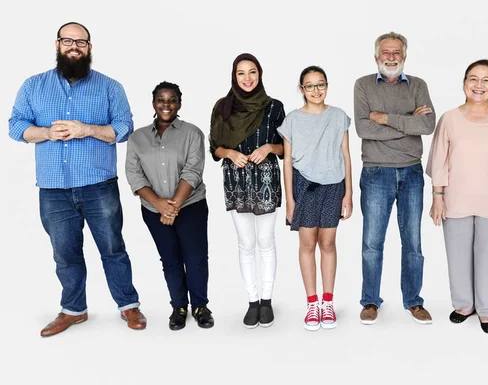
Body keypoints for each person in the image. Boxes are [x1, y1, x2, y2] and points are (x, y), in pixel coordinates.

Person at [8, 22, 145, 337]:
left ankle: (128, 305)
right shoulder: (33, 86)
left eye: (81, 42)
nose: (74, 46)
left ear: (90, 48)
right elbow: (16, 126)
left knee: (112, 248)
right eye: (68, 41)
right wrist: (44, 133)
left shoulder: (110, 87)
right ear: (57, 45)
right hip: (53, 189)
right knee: (65, 252)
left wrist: (88, 129)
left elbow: (123, 128)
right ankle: (74, 310)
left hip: (98, 185)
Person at [427, 59, 488, 334]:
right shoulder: (449, 119)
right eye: (473, 78)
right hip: (455, 200)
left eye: (486, 80)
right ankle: (464, 305)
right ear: (464, 83)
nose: (478, 85)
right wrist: (437, 197)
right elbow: (439, 163)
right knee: (457, 256)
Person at [354, 31, 435, 325]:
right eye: (386, 52)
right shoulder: (363, 85)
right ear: (376, 56)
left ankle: (413, 301)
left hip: (412, 171)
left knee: (412, 241)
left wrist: (385, 118)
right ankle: (370, 301)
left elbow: (427, 125)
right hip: (376, 171)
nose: (391, 57)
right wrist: (407, 122)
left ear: (404, 56)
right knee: (372, 242)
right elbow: (364, 130)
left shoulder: (418, 85)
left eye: (396, 52)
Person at [125, 81, 214, 331]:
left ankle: (200, 306)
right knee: (170, 259)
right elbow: (134, 174)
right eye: (161, 100)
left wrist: (172, 206)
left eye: (172, 100)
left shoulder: (192, 133)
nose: (166, 104)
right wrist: (159, 205)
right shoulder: (137, 138)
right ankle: (179, 307)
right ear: (153, 103)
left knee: (196, 258)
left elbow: (193, 170)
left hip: (191, 206)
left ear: (179, 104)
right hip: (154, 211)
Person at [209, 53, 285, 328]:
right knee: (246, 243)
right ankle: (252, 301)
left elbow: (287, 147)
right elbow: (214, 147)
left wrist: (269, 148)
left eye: (252, 72)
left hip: (265, 180)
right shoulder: (222, 107)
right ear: (234, 76)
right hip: (237, 181)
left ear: (260, 74)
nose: (247, 78)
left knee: (266, 242)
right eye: (241, 73)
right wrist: (229, 152)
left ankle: (267, 300)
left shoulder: (275, 107)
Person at [278, 66, 353, 331]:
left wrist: (349, 193)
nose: (316, 90)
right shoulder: (292, 120)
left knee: (328, 242)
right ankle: (312, 303)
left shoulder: (339, 116)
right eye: (309, 86)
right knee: (307, 243)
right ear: (301, 90)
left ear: (327, 86)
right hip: (304, 185)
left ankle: (328, 302)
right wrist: (290, 199)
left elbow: (345, 154)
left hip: (333, 185)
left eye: (320, 84)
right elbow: (287, 162)